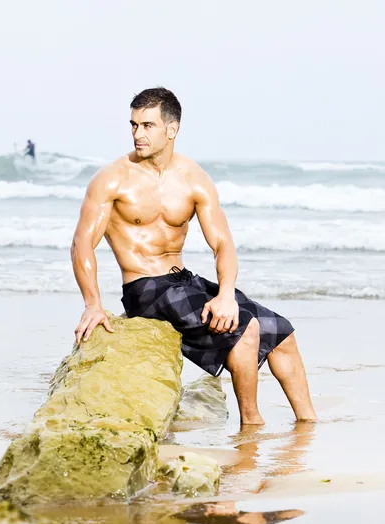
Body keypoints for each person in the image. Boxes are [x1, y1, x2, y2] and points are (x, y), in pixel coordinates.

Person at [70, 87, 317, 425]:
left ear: (171, 130)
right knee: (245, 330)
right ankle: (252, 424)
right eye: (133, 124)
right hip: (145, 287)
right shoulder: (113, 179)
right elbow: (82, 243)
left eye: (147, 125)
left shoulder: (193, 178)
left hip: (182, 280)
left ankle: (309, 424)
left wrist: (227, 295)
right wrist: (93, 303)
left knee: (281, 332)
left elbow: (223, 243)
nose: (137, 134)